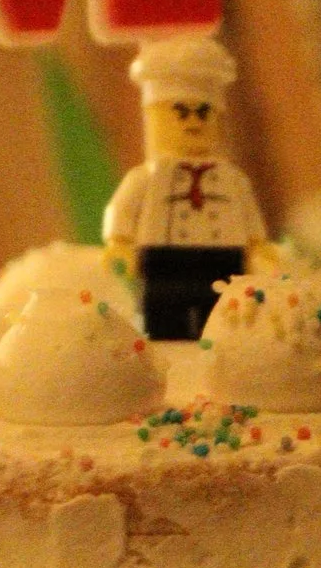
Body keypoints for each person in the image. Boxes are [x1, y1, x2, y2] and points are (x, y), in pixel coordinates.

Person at [103, 30, 265, 340]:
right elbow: (122, 209)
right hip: (164, 264)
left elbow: (250, 220)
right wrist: (120, 242)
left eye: (204, 114)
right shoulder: (146, 178)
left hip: (224, 262)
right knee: (165, 327)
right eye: (180, 113)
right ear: (154, 117)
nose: (194, 123)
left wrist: (259, 247)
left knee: (223, 329)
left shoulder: (233, 179)